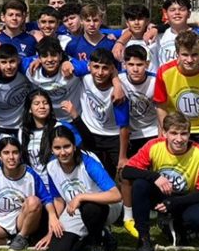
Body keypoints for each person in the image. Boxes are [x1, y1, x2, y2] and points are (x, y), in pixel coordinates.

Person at [122, 113, 199, 251]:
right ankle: (144, 240)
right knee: (140, 184)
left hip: (185, 199)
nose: (179, 139)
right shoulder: (154, 146)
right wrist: (155, 177)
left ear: (189, 134)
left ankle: (174, 223)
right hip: (160, 196)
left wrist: (174, 203)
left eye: (184, 133)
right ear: (164, 133)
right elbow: (126, 171)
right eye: (173, 133)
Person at [39, 126, 121, 251]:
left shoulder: (88, 162)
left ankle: (97, 246)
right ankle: (98, 234)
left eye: (67, 146)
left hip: (104, 207)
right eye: (57, 148)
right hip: (76, 210)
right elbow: (58, 199)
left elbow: (116, 195)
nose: (63, 152)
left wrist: (81, 197)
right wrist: (53, 225)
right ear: (52, 149)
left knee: (89, 207)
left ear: (74, 146)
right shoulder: (51, 167)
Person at [0, 136, 57, 251]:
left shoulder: (30, 174)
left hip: (22, 221)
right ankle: (8, 241)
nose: (11, 157)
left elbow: (46, 198)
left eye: (15, 152)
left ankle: (23, 236)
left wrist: (53, 216)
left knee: (34, 201)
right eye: (6, 153)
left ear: (20, 155)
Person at [154, 30, 199, 163]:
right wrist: (165, 133)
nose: (190, 60)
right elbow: (161, 106)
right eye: (185, 55)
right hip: (177, 130)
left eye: (194, 55)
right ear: (177, 54)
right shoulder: (164, 73)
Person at [116, 44, 157, 238]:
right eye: (130, 64)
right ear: (124, 64)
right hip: (130, 133)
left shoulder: (155, 82)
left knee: (152, 174)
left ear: (147, 64)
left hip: (150, 133)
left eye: (140, 64)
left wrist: (160, 139)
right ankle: (128, 215)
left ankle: (154, 209)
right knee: (126, 174)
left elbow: (161, 112)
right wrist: (123, 155)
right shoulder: (120, 79)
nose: (135, 69)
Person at [73, 48, 130, 179]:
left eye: (105, 68)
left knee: (123, 175)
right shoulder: (84, 78)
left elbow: (124, 126)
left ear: (112, 69)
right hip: (90, 133)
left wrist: (123, 156)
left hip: (113, 136)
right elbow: (68, 64)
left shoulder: (119, 92)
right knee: (89, 173)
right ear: (89, 67)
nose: (99, 72)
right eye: (96, 67)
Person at [20, 88, 80, 170]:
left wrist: (75, 116)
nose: (42, 106)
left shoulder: (60, 126)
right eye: (36, 103)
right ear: (29, 109)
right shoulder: (22, 131)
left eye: (45, 103)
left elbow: (81, 148)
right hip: (35, 181)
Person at [152, 0, 199, 66]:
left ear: (189, 14)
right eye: (172, 10)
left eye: (182, 9)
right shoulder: (157, 36)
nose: (177, 12)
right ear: (166, 14)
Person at [0, 44, 31, 133]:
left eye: (12, 61)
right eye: (4, 62)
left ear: (18, 60)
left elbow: (41, 58)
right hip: (0, 126)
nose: (8, 67)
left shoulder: (24, 70)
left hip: (23, 125)